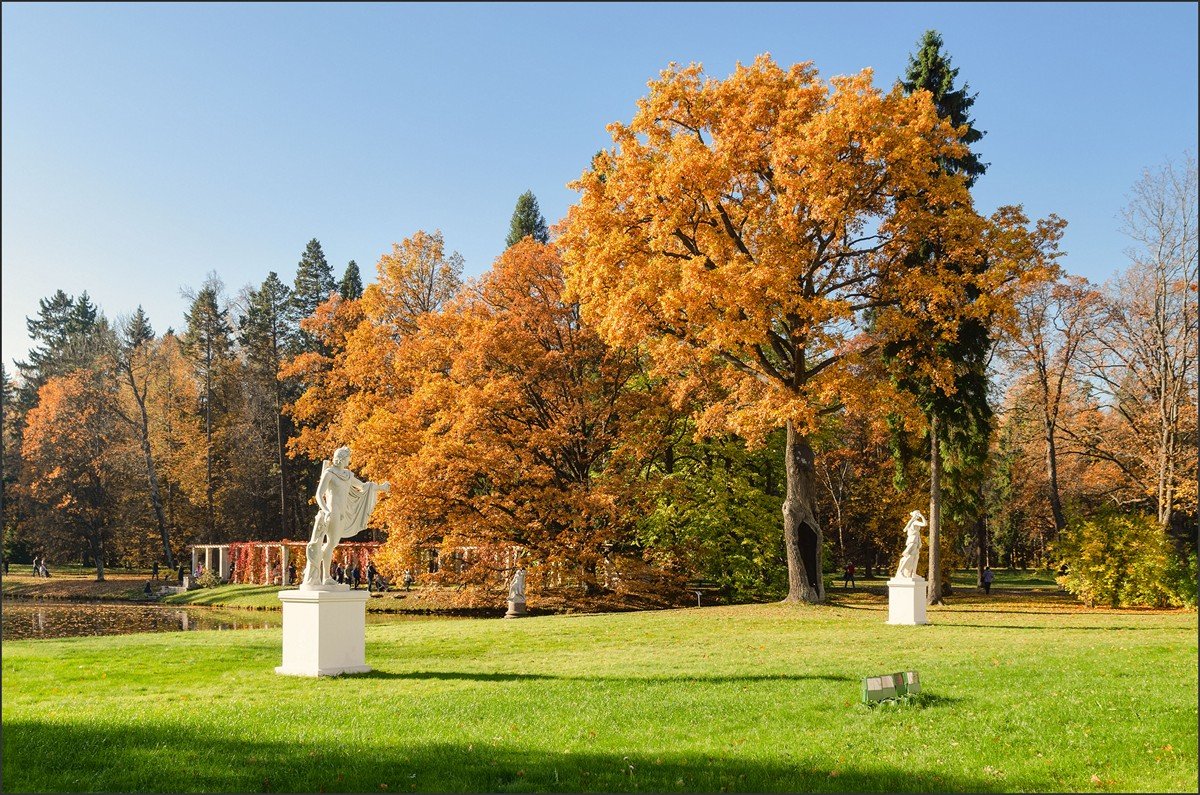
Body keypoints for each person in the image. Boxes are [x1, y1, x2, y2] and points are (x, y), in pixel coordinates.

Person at [302, 446, 390, 588]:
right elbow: (319, 495)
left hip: (343, 514)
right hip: (333, 512)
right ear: (342, 458)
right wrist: (326, 510)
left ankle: (318, 572)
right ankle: (323, 576)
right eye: (348, 457)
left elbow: (363, 486)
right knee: (330, 544)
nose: (349, 459)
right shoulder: (329, 473)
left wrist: (381, 487)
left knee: (332, 544)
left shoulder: (348, 475)